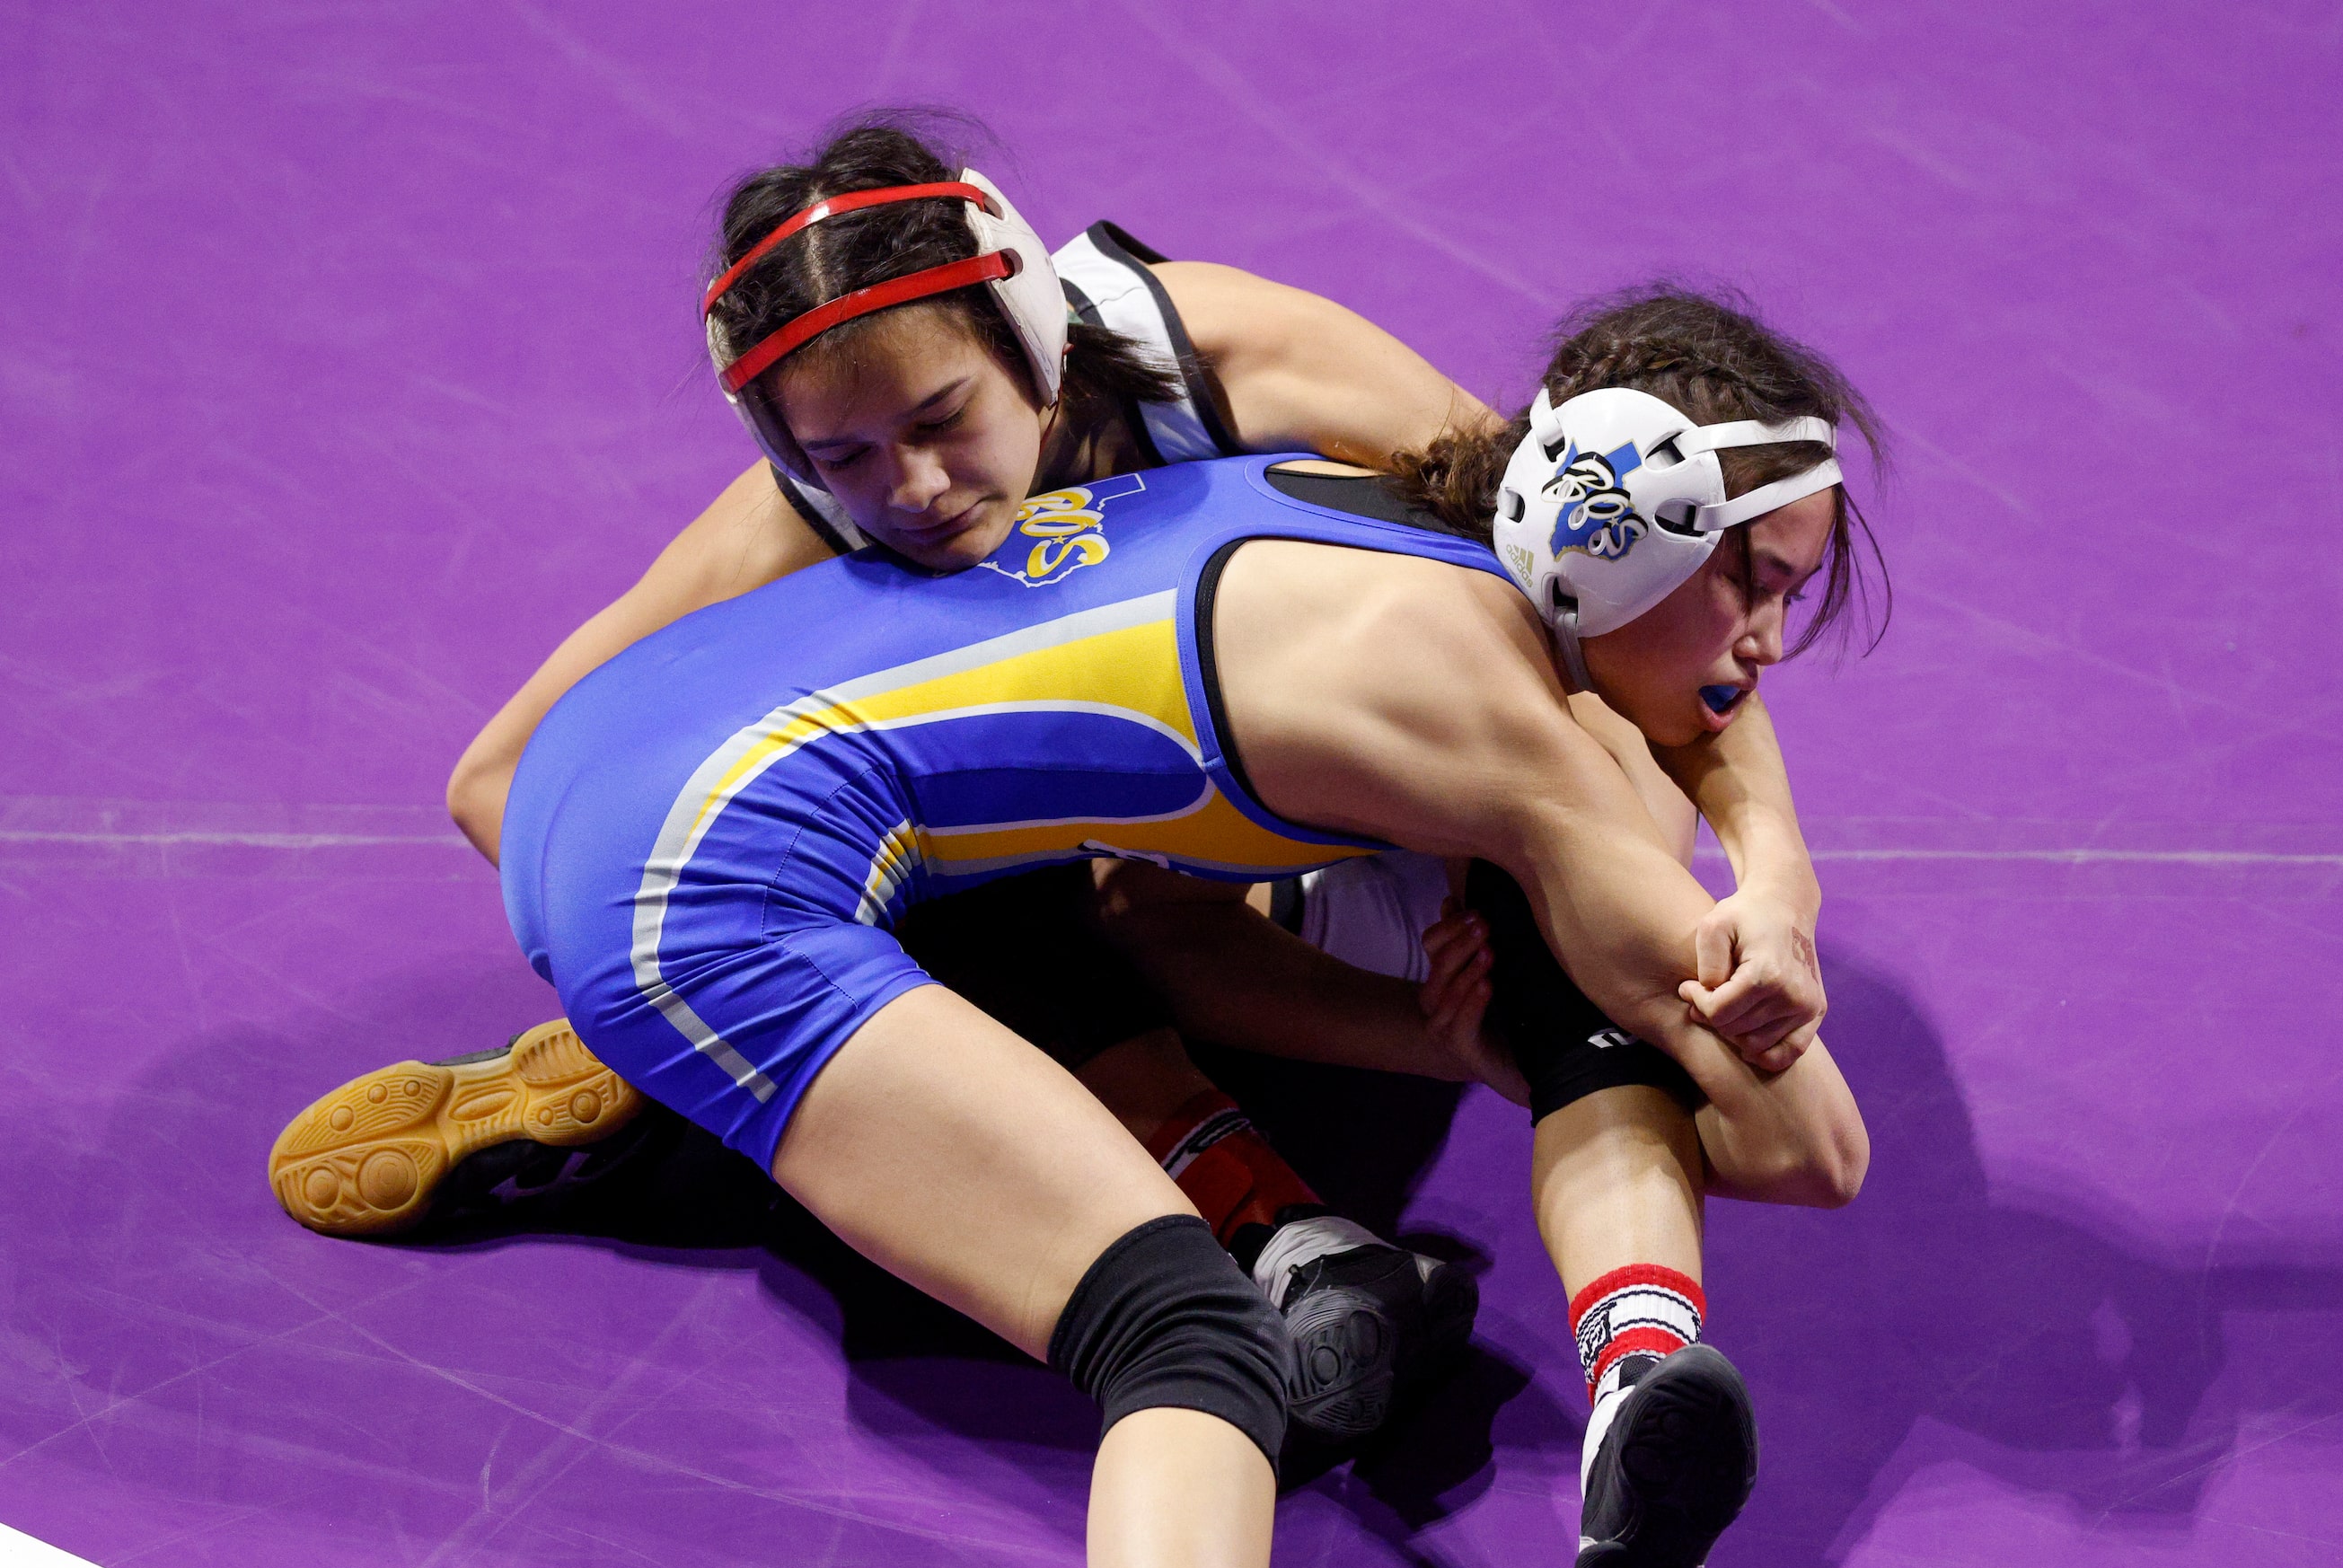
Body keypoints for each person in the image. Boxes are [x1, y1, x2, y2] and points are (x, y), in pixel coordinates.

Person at [272, 115, 1832, 1443]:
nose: (918, 490)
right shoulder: (788, 523)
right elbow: (499, 774)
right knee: (1047, 892)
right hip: (1091, 872)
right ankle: (1274, 1204)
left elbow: (1607, 578)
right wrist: (754, 977)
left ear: (1023, 334)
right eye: (845, 460)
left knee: (1580, 833)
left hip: (1354, 762)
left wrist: (1767, 873)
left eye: (942, 419)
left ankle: (1537, 1265)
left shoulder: (1229, 349)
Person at [492, 272, 1881, 1568]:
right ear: (1623, 538)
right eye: (1755, 587)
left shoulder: (1334, 470)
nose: (1766, 654)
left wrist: (1769, 889)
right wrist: (1716, 967)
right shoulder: (1497, 723)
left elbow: (1157, 924)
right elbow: (1812, 1152)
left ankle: (715, 1066)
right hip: (706, 883)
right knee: (1187, 1338)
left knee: (1077, 893)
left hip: (625, 761)